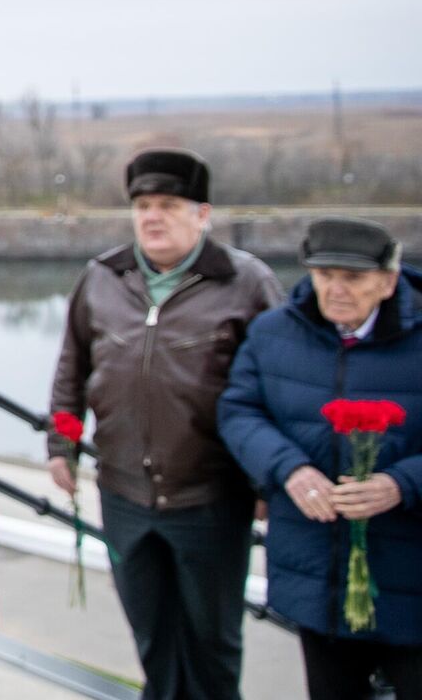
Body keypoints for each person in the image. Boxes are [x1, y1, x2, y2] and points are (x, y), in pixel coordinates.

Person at [48, 148, 283, 699]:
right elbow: (72, 368)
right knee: (150, 630)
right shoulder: (102, 277)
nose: (152, 216)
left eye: (169, 205)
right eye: (143, 205)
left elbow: (278, 385)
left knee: (212, 638)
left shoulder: (247, 283)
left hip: (209, 495)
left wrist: (266, 478)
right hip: (123, 492)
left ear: (202, 214)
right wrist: (62, 443)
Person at [219, 217, 422, 699]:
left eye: (353, 278)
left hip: (412, 572)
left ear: (388, 281)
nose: (336, 290)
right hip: (317, 571)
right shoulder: (272, 333)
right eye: (325, 275)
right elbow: (238, 410)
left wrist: (402, 484)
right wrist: (287, 468)